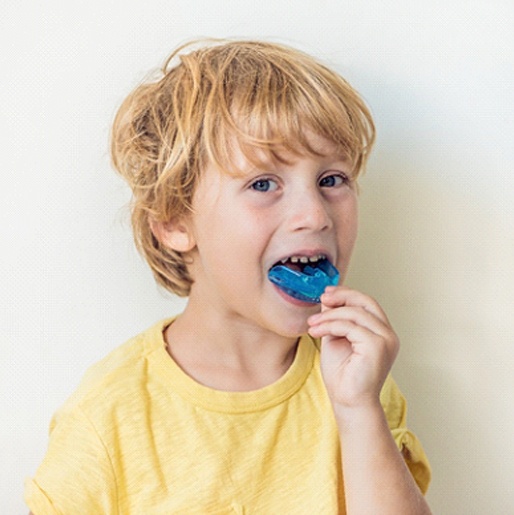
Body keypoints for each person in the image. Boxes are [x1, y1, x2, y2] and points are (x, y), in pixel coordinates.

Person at [25, 39, 432, 514]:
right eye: (263, 184)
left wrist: (359, 410)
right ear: (176, 221)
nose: (314, 215)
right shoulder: (106, 420)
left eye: (331, 180)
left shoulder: (358, 379)